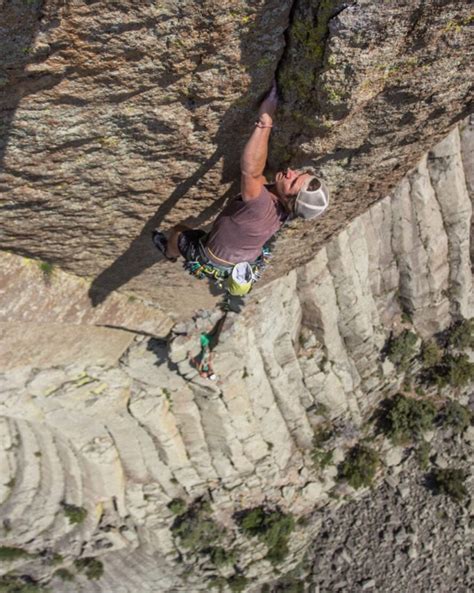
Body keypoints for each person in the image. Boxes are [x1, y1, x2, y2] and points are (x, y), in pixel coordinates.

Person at [152, 81, 329, 293]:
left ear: (289, 201)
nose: (291, 171)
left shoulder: (260, 206)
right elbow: (259, 180)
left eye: (292, 182)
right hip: (243, 261)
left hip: (213, 259)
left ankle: (169, 253)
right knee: (262, 182)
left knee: (179, 232)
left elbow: (252, 172)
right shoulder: (286, 210)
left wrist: (266, 120)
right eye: (299, 174)